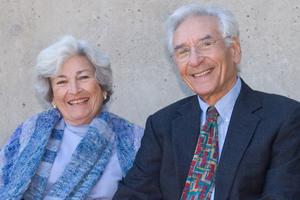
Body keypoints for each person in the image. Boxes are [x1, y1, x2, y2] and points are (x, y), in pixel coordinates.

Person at [113, 4, 300, 200]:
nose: (194, 60)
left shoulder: (285, 118)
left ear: (234, 50)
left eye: (206, 44)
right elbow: (132, 195)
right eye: (183, 51)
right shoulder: (162, 124)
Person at [0, 35, 144, 199]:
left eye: (83, 77)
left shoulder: (135, 140)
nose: (74, 90)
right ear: (52, 96)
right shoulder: (30, 130)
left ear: (102, 87)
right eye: (62, 82)